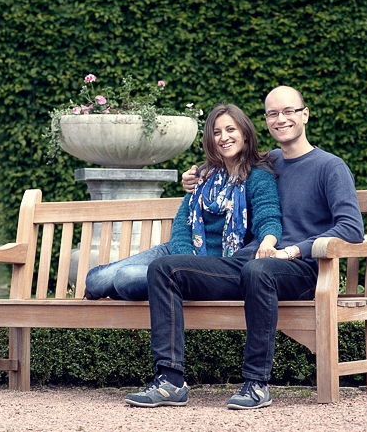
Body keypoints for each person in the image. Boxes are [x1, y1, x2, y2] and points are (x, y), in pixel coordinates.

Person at [125, 86, 365, 410]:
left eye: (289, 111)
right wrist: (195, 176)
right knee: (165, 268)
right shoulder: (267, 162)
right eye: (273, 114)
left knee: (258, 269)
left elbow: (351, 228)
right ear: (265, 121)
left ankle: (256, 384)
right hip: (250, 264)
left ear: (305, 114)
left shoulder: (330, 167)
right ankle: (170, 382)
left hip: (305, 271)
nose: (281, 119)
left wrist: (293, 251)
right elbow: (225, 162)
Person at [84, 103, 283, 303]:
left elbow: (268, 217)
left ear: (245, 134)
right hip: (177, 252)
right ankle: (141, 288)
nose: (224, 137)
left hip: (216, 265)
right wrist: (184, 261)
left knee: (127, 278)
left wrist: (268, 242)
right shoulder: (204, 175)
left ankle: (139, 288)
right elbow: (182, 224)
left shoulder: (258, 176)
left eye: (231, 129)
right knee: (96, 281)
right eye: (217, 133)